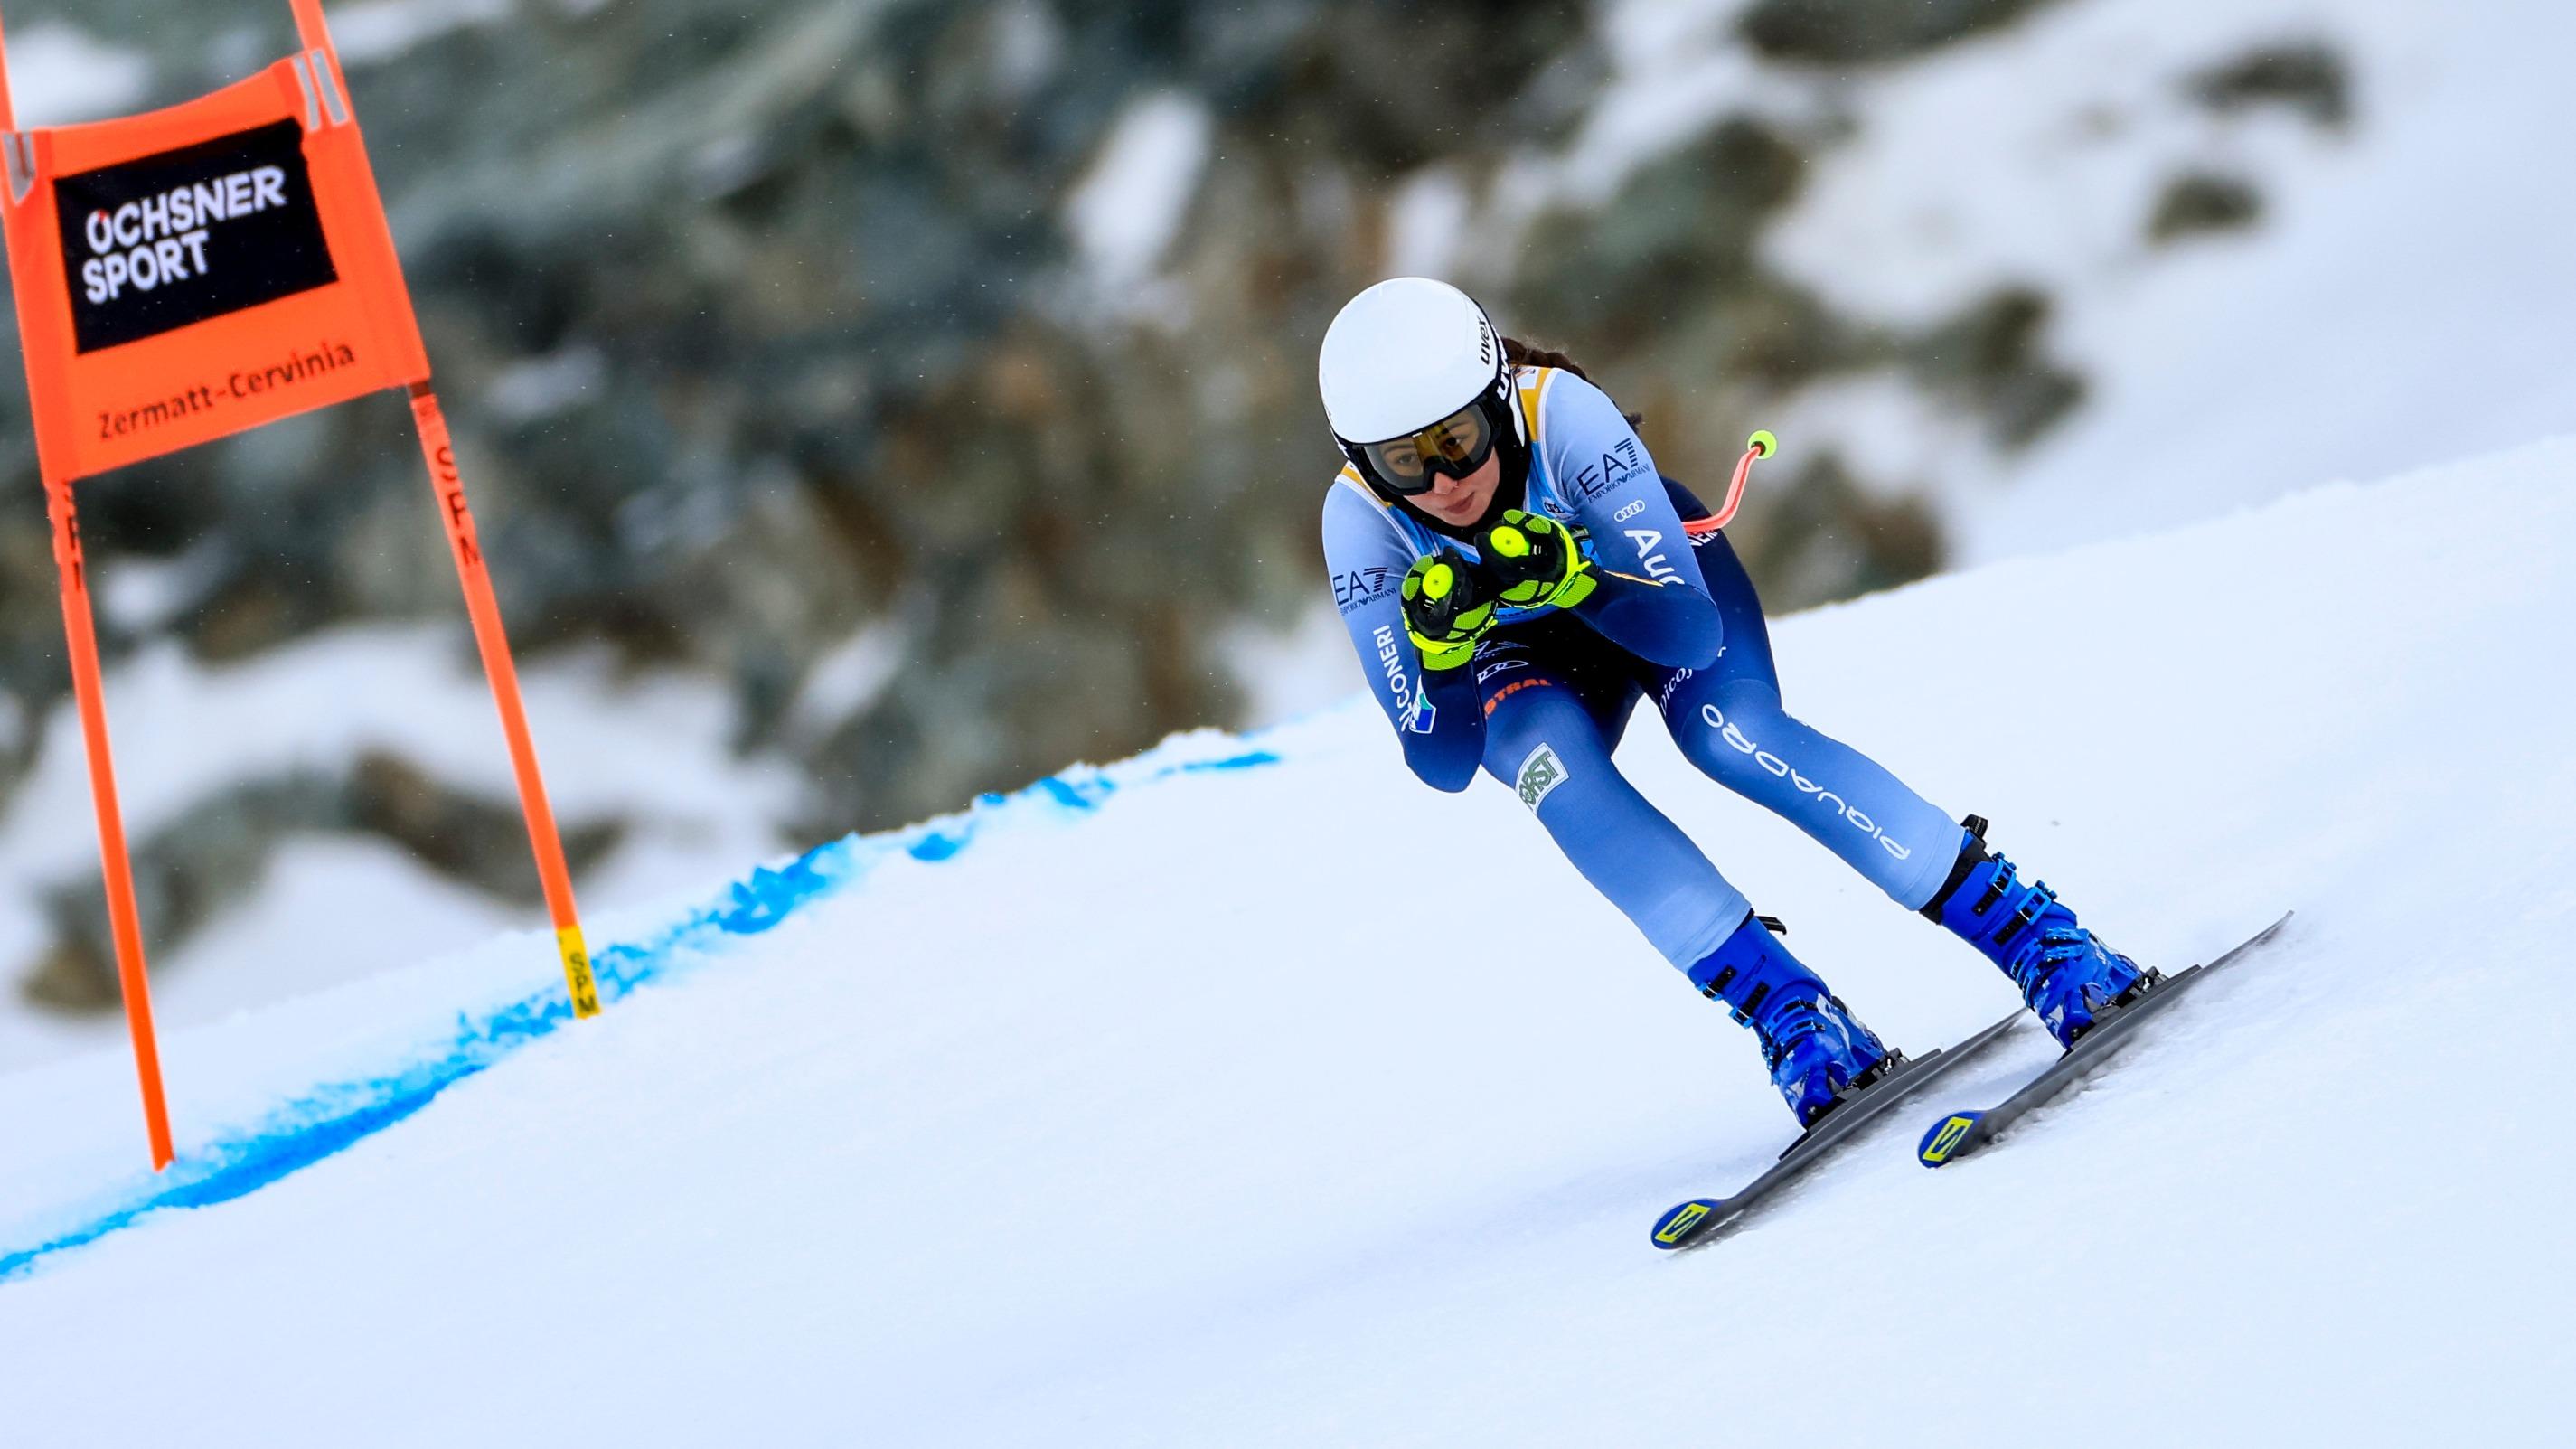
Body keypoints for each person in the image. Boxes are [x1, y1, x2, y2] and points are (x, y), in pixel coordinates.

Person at [1316, 276, 2147, 1128]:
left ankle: (2040, 937)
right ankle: (1796, 1016)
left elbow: (1682, 631)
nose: (1446, 481)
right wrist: (1446, 658)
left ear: (1497, 401)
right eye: (1405, 462)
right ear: (1364, 462)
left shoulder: (1563, 416)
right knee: (1549, 772)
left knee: (1728, 734)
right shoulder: (1359, 523)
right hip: (1521, 658)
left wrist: (1577, 578)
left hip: (1650, 594)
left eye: (1459, 439)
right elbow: (1443, 760)